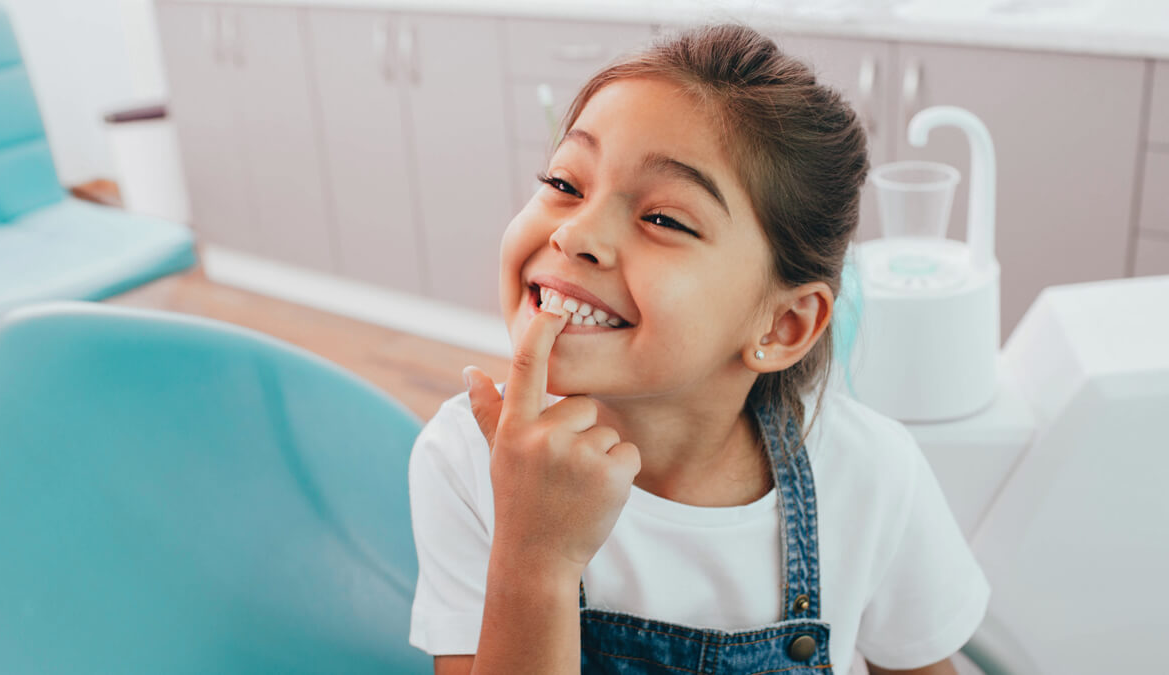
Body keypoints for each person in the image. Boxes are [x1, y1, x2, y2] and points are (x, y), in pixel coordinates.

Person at [407, 23, 989, 675]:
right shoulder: (466, 460)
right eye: (566, 183)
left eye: (663, 219)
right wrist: (534, 558)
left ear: (784, 326)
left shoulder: (873, 476)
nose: (574, 233)